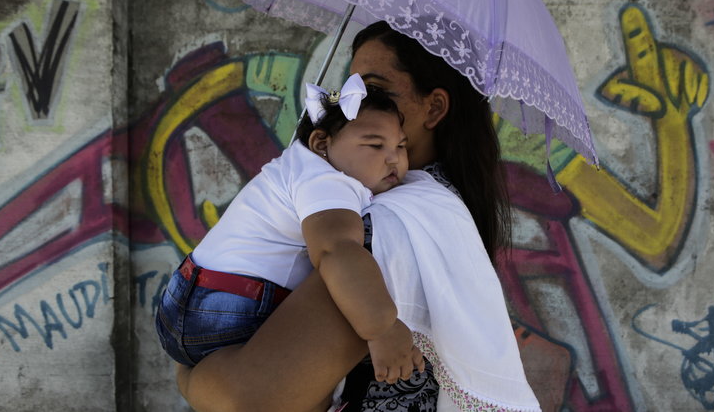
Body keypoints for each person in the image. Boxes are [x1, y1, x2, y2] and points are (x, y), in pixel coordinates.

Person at [175, 21, 563, 412]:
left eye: (373, 90)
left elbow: (250, 402)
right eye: (351, 90)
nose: (355, 104)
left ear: (434, 108)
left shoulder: (386, 228)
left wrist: (189, 375)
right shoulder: (425, 208)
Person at [156, 74, 426, 389]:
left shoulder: (293, 165)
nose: (394, 158)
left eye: (401, 145)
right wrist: (382, 329)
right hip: (228, 311)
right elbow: (335, 250)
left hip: (180, 301)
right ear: (322, 143)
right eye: (375, 144)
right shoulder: (328, 180)